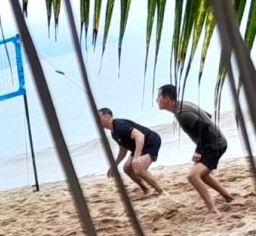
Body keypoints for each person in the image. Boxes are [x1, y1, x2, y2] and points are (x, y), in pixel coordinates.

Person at [157, 84, 234, 215]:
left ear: (167, 98)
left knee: (192, 176)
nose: (157, 100)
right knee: (202, 176)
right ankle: (228, 197)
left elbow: (204, 127)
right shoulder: (183, 105)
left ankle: (213, 210)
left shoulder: (182, 114)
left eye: (158, 97)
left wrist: (199, 150)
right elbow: (207, 116)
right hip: (213, 142)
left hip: (215, 144)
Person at [98, 108, 165, 197]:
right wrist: (114, 165)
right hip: (138, 146)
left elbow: (140, 136)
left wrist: (136, 157)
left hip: (150, 141)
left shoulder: (120, 125)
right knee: (127, 168)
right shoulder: (113, 132)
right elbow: (122, 150)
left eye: (99, 117)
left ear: (107, 116)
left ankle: (161, 192)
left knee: (139, 169)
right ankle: (146, 189)